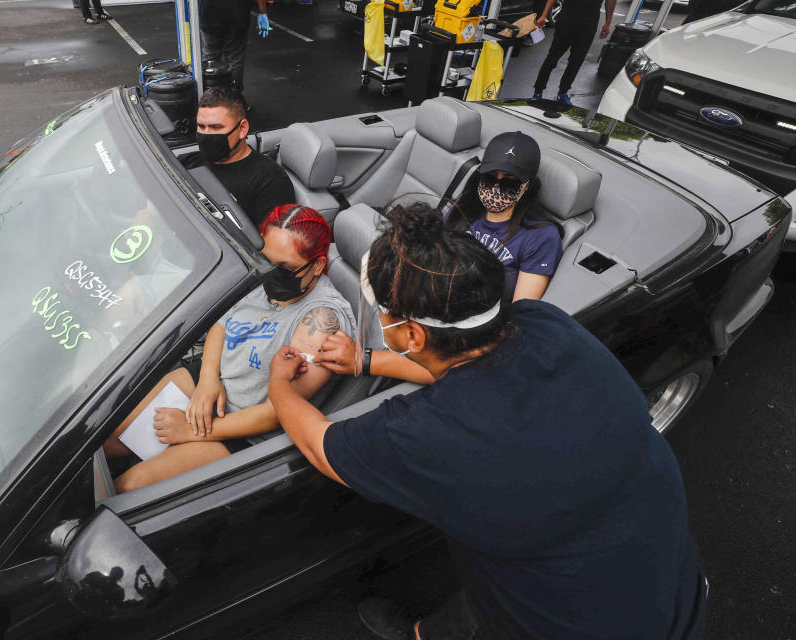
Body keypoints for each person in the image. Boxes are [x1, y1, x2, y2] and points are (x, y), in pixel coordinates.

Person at [267, 201, 707, 640]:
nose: (380, 321)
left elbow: (317, 444)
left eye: (383, 312)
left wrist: (280, 386)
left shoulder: (425, 432)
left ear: (413, 334)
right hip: (662, 566)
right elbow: (449, 364)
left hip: (579, 619)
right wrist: (366, 360)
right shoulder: (542, 321)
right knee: (490, 580)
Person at [104, 205, 355, 493]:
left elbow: (278, 410)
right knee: (105, 439)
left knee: (131, 487)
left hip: (245, 429)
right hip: (210, 382)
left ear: (318, 265)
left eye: (284, 267)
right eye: (265, 260)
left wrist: (192, 431)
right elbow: (222, 324)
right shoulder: (264, 276)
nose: (271, 273)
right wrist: (208, 380)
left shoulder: (322, 320)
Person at [456, 131, 561, 302]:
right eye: (490, 178)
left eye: (509, 182)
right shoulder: (466, 209)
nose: (495, 189)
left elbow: (521, 308)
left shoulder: (540, 236)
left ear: (526, 186)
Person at [181, 88, 296, 226]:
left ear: (242, 129)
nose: (206, 135)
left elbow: (274, 243)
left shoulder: (270, 181)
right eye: (201, 126)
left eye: (216, 127)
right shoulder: (187, 161)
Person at [532, 0, 616, 105]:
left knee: (576, 60)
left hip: (589, 23)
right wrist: (544, 15)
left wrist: (608, 23)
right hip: (567, 19)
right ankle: (538, 91)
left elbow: (611, 1)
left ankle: (563, 92)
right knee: (552, 57)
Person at [200, 0, 271, 94]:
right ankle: (234, 100)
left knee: (210, 59)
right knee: (235, 60)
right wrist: (263, 12)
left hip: (209, 13)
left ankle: (210, 101)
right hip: (238, 14)